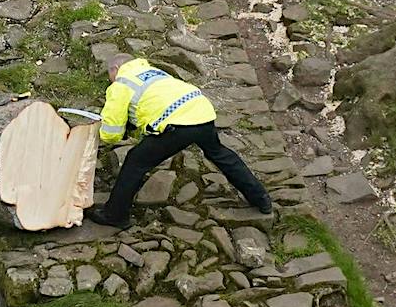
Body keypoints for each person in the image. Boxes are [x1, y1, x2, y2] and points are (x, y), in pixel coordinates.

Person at [84, 56, 272, 230]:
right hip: (201, 111)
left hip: (177, 124)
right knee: (219, 153)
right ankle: (260, 198)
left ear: (116, 69)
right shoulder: (154, 72)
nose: (111, 80)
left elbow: (111, 133)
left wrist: (101, 134)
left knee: (136, 161)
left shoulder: (121, 83)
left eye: (110, 76)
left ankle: (115, 215)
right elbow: (152, 104)